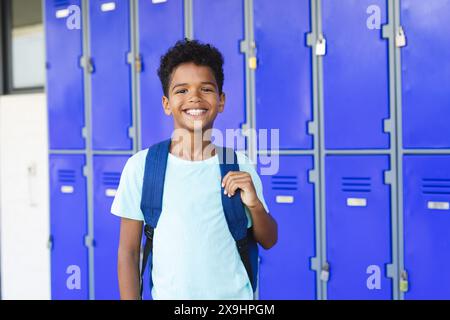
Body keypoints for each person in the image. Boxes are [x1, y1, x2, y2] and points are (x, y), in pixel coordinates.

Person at [111, 39, 277, 300]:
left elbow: (269, 239)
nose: (195, 98)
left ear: (221, 101)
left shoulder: (238, 164)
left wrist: (254, 204)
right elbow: (128, 253)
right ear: (166, 104)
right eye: (182, 90)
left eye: (206, 89)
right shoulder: (142, 168)